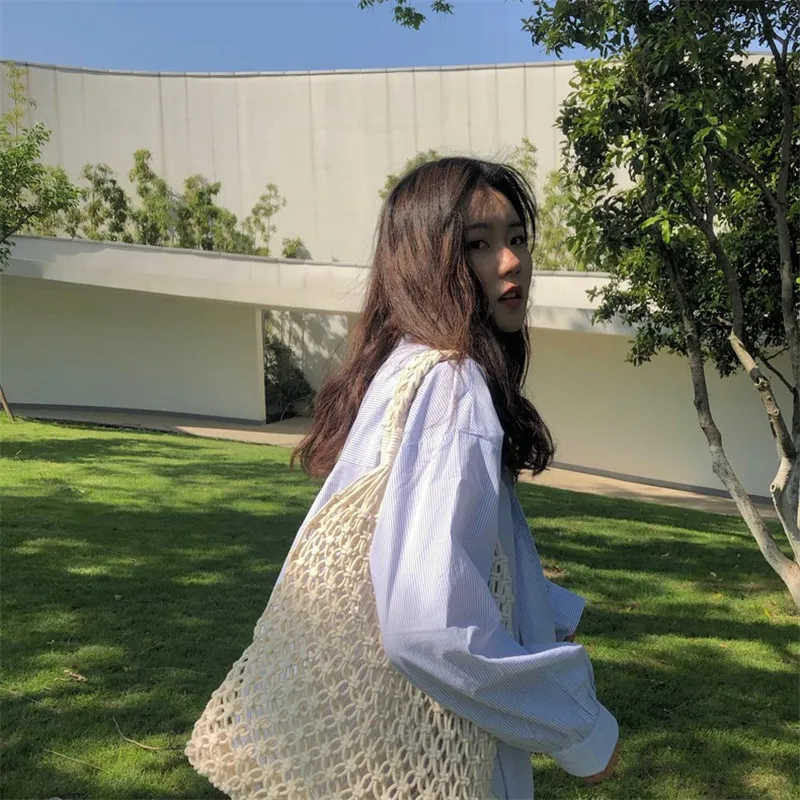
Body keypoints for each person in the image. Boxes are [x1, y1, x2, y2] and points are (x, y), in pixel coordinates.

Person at [289, 156, 620, 799]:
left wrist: (548, 612)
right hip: (442, 760)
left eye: (517, 238)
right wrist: (580, 729)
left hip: (384, 748)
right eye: (478, 245)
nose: (511, 262)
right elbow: (426, 623)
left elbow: (407, 549)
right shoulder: (451, 383)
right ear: (428, 262)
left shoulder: (402, 366)